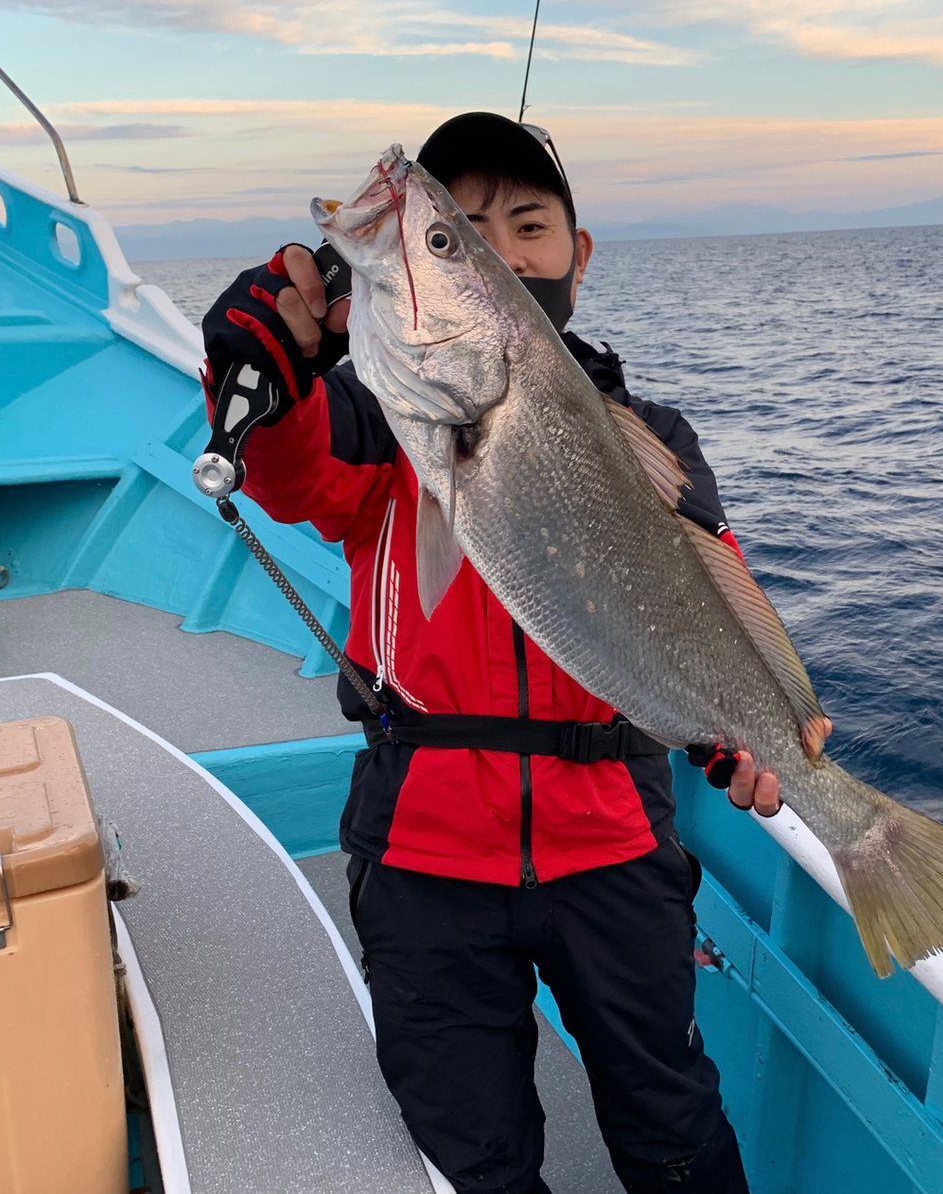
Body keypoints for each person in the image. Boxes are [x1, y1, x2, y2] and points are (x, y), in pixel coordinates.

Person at [201, 112, 828, 1194]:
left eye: (525, 225)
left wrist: (756, 728)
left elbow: (709, 595)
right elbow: (291, 471)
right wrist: (262, 365)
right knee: (472, 1140)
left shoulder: (658, 438)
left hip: (616, 846)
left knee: (673, 1116)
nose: (498, 244)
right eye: (464, 230)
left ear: (577, 255)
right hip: (423, 854)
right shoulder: (381, 420)